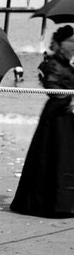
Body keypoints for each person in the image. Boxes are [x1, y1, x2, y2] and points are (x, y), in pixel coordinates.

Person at [10, 25, 74, 217]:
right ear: (62, 44)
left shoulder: (68, 64)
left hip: (69, 116)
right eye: (72, 42)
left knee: (68, 159)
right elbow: (51, 87)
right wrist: (69, 99)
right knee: (54, 156)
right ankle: (52, 204)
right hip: (57, 116)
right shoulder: (52, 63)